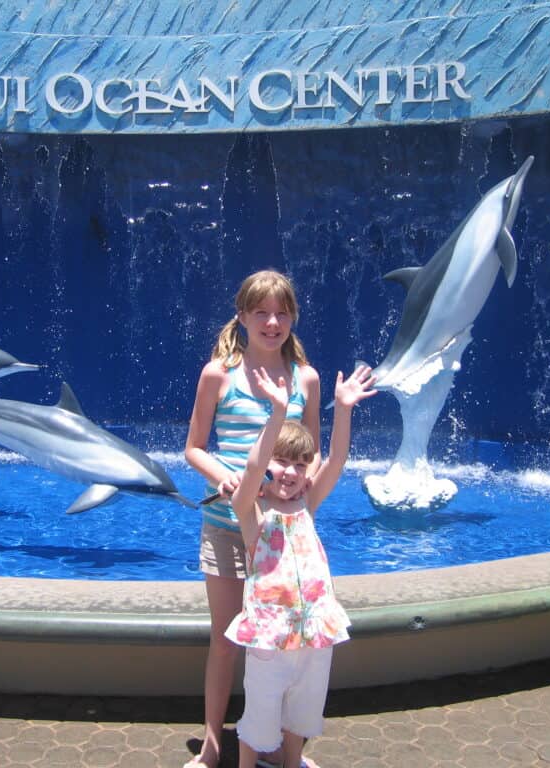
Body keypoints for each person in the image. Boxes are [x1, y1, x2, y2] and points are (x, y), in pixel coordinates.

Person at [184, 270, 321, 768]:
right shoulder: (218, 374)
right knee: (225, 640)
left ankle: (279, 747)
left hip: (283, 537)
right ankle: (214, 743)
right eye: (261, 312)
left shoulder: (305, 378)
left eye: (282, 312)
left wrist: (305, 493)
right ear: (241, 316)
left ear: (293, 318)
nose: (272, 321)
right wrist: (226, 476)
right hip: (226, 524)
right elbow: (194, 448)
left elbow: (313, 454)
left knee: (286, 645)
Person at [227, 364, 377, 768]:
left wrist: (343, 410)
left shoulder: (308, 505)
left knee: (303, 710)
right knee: (259, 713)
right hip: (268, 636)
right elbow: (254, 469)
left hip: (314, 630)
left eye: (300, 464)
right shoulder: (251, 512)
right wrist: (277, 413)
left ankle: (291, 762)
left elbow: (338, 459)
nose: (291, 472)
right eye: (282, 462)